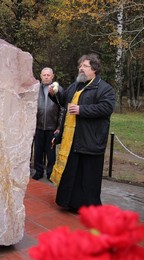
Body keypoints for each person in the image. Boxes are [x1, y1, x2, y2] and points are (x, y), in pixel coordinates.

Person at [49, 53, 115, 212]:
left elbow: (107, 108)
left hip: (90, 140)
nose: (81, 69)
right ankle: (69, 203)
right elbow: (64, 100)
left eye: (85, 66)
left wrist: (81, 110)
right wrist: (55, 94)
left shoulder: (104, 88)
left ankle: (88, 208)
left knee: (87, 178)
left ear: (94, 69)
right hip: (72, 140)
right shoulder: (76, 85)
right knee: (72, 174)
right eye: (80, 66)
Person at [33, 67, 64, 180]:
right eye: (44, 75)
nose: (46, 77)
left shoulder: (58, 90)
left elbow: (62, 109)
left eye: (48, 75)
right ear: (41, 76)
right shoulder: (35, 89)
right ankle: (38, 171)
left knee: (51, 152)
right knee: (38, 151)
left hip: (52, 127)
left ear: (52, 76)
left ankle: (50, 172)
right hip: (38, 126)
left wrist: (59, 127)